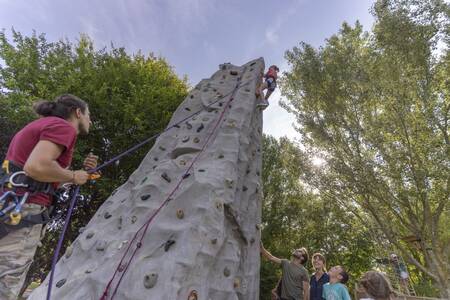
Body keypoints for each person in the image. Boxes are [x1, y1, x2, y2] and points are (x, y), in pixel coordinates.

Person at [0, 94, 98, 300]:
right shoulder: (63, 128)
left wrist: (80, 174)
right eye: (89, 115)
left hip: (11, 204)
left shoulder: (42, 124)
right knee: (6, 283)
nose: (90, 121)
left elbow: (42, 176)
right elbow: (37, 166)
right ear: (77, 112)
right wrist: (73, 175)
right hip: (23, 211)